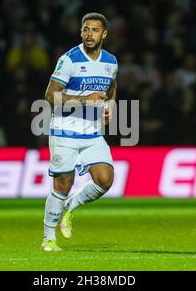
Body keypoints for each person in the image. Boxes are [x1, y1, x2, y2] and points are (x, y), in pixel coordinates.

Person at [41, 13, 118, 251]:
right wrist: (84, 101)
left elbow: (112, 86)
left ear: (104, 34)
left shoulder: (111, 62)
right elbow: (50, 96)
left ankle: (71, 207)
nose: (89, 35)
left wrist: (109, 106)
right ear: (80, 32)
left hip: (92, 134)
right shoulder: (69, 60)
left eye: (95, 30)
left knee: (105, 180)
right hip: (64, 131)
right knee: (63, 184)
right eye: (85, 29)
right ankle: (48, 239)